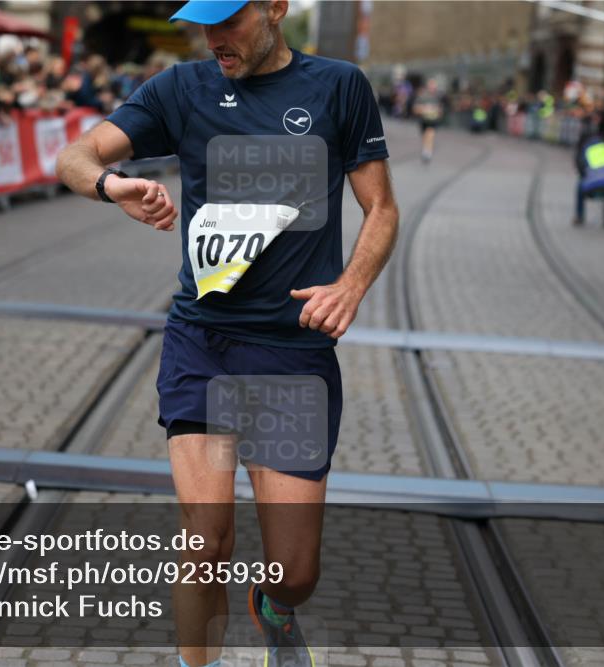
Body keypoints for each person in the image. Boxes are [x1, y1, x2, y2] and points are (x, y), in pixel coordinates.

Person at [55, 2, 399, 665]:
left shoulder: (337, 86)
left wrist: (350, 284)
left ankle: (273, 607)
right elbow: (74, 152)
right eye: (203, 21)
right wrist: (110, 183)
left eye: (229, 19)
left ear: (276, 8)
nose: (213, 38)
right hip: (202, 343)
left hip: (290, 354)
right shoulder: (181, 89)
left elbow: (380, 206)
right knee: (205, 539)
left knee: (295, 571)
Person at [573, 96, 604, 227]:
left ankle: (579, 216)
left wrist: (583, 174)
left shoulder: (587, 143)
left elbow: (579, 163)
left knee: (580, 185)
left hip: (595, 178)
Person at [412, 78, 444, 162]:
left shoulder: (438, 97)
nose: (433, 88)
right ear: (428, 86)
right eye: (431, 86)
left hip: (433, 121)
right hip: (423, 120)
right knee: (425, 136)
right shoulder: (422, 96)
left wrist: (437, 111)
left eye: (434, 86)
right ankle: (425, 149)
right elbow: (415, 109)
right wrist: (425, 109)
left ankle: (427, 152)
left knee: (430, 133)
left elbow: (440, 109)